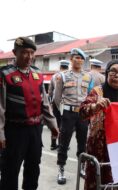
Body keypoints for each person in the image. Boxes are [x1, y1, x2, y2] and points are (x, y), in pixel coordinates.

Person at [0, 37, 59, 190]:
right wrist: (0, 135)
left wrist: (53, 125)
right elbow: (0, 108)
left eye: (32, 52)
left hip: (35, 130)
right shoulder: (5, 75)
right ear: (15, 53)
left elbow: (44, 102)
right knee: (10, 171)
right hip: (14, 132)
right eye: (24, 52)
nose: (29, 56)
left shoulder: (38, 74)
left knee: (33, 168)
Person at [79, 59, 118, 190]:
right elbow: (82, 112)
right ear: (107, 74)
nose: (117, 75)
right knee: (98, 181)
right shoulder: (98, 92)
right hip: (100, 148)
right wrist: (95, 106)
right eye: (113, 72)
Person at [54, 48, 94, 185]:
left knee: (82, 143)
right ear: (71, 59)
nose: (79, 60)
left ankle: (81, 168)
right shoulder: (63, 76)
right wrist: (61, 115)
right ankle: (61, 169)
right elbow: (56, 98)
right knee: (64, 142)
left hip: (82, 114)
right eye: (76, 57)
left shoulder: (88, 77)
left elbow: (90, 96)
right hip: (68, 113)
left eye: (81, 58)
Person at [48, 60, 70, 150]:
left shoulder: (54, 76)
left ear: (60, 67)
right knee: (63, 125)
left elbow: (50, 91)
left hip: (55, 103)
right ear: (67, 67)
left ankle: (53, 144)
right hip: (65, 104)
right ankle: (61, 144)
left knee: (55, 123)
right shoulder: (69, 76)